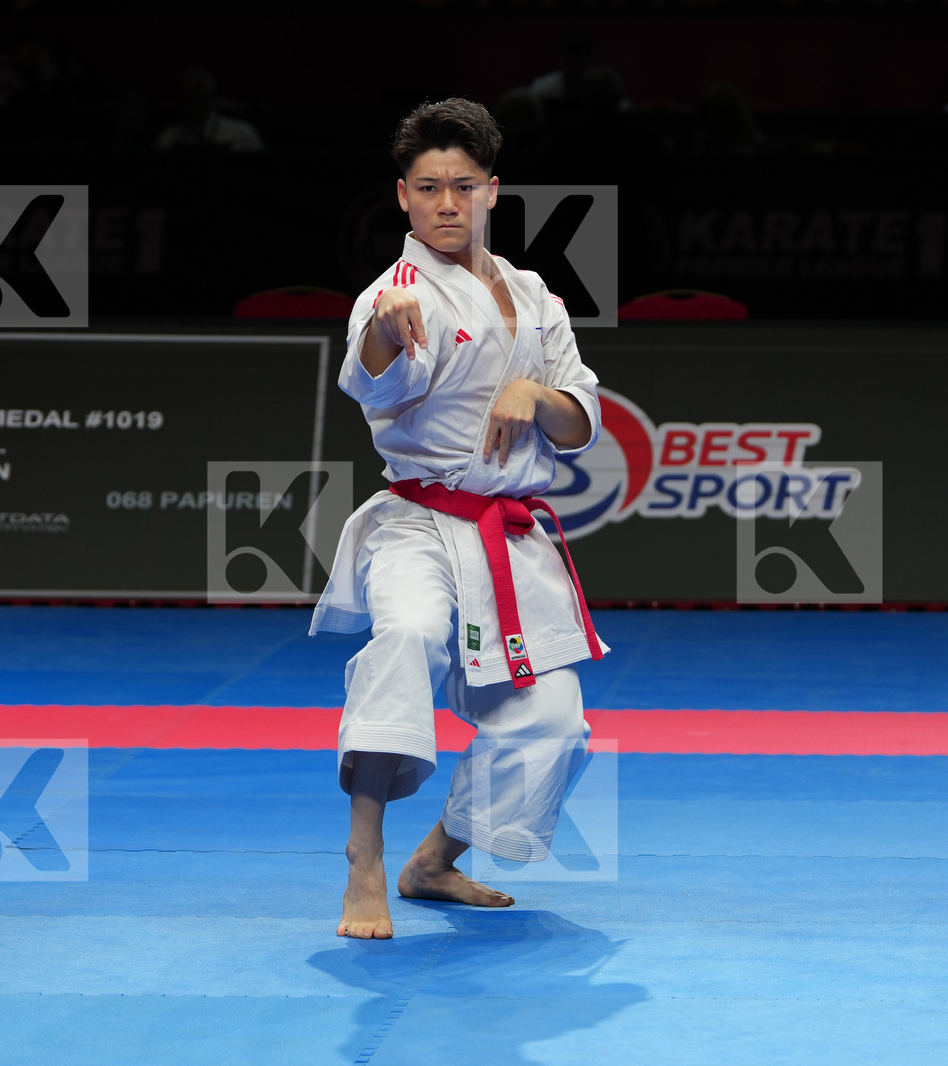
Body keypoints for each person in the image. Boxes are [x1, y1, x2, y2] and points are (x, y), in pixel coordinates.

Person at [310, 98, 607, 940]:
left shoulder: (534, 293)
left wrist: (536, 393)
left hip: (507, 540)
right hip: (418, 523)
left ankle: (435, 858)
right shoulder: (396, 295)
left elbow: (580, 421)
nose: (447, 203)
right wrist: (382, 335)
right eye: (430, 188)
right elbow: (370, 375)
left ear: (492, 191)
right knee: (404, 636)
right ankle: (364, 858)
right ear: (402, 196)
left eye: (464, 186)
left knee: (556, 725)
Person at [154, 67, 264, 152]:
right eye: (187, 96)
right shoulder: (168, 139)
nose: (192, 103)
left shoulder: (241, 133)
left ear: (211, 96)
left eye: (198, 95)